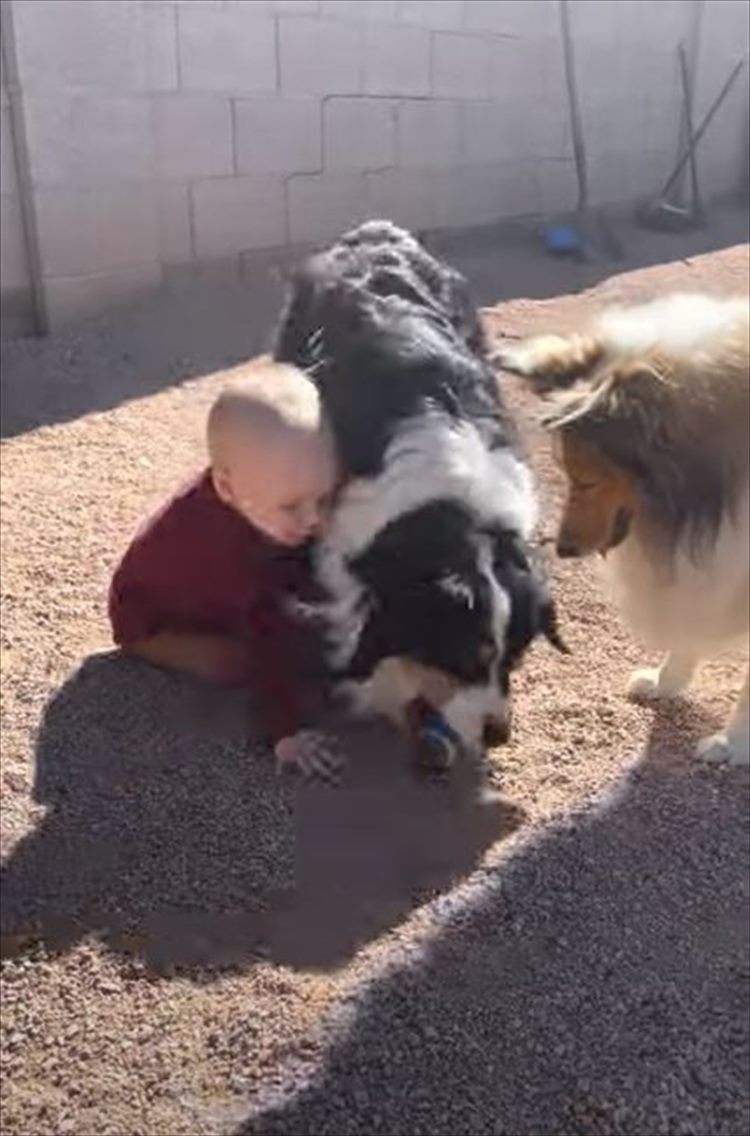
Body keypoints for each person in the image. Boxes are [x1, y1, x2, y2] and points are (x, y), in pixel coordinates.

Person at [108, 356, 341, 777]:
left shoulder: (269, 491)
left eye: (321, 498)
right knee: (256, 660)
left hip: (236, 585)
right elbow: (274, 631)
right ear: (228, 488)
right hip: (152, 621)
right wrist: (286, 732)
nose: (312, 518)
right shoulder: (229, 550)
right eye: (292, 507)